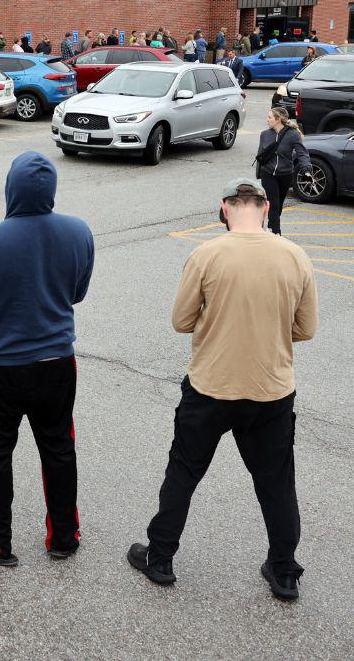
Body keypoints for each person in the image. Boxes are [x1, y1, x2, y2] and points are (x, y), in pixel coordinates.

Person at [128, 179, 317, 602]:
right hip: (270, 390)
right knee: (276, 482)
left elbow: (181, 321)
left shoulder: (206, 255)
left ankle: (160, 557)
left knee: (183, 472)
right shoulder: (295, 256)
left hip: (211, 386)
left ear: (225, 208)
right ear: (265, 208)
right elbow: (305, 328)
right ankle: (284, 570)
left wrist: (218, 322)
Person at [0, 151, 94, 565]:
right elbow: (77, 292)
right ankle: (63, 536)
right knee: (59, 447)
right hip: (56, 361)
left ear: (11, 189)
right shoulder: (78, 232)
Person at [255, 108, 311, 235]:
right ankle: (276, 233)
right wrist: (259, 173)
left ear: (278, 119)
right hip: (268, 173)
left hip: (285, 174)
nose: (267, 120)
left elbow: (302, 154)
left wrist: (307, 171)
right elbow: (260, 156)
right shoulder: (265, 134)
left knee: (279, 204)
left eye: (270, 117)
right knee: (273, 204)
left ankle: (272, 224)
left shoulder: (292, 135)